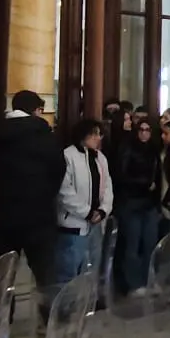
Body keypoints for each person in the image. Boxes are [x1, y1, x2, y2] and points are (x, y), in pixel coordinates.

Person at [0, 89, 66, 298]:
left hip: (2, 216)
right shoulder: (45, 137)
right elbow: (58, 172)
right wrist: (44, 196)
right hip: (39, 217)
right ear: (36, 110)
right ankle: (50, 317)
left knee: (0, 277)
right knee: (46, 277)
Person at [55, 119, 113, 284]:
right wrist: (87, 212)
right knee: (68, 272)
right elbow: (64, 191)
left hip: (96, 224)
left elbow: (107, 186)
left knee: (92, 270)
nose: (98, 138)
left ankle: (88, 298)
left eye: (99, 134)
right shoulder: (68, 156)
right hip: (73, 225)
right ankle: (68, 301)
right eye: (94, 134)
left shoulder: (100, 158)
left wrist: (103, 210)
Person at [116, 116, 161, 297]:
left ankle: (148, 280)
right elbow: (121, 175)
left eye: (147, 130)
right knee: (132, 244)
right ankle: (133, 283)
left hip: (149, 202)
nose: (144, 133)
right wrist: (144, 183)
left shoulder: (154, 150)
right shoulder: (128, 148)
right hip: (132, 201)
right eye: (141, 130)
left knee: (150, 243)